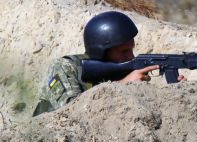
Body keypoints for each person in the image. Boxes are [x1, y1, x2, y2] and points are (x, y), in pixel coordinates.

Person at [33, 11, 161, 116]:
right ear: (102, 52)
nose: (130, 57)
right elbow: (71, 113)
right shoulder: (66, 67)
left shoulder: (122, 71)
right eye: (124, 51)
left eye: (131, 49)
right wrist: (123, 85)